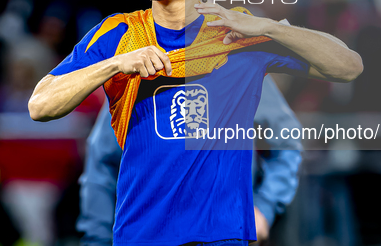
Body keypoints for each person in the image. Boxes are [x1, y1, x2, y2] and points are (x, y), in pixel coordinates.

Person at [28, 0, 363, 245]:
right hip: (141, 236)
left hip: (224, 237)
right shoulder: (119, 34)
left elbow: (347, 67)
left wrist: (269, 27)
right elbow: (41, 106)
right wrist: (114, 65)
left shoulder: (236, 31)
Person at [77, 75, 303, 246]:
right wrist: (99, 238)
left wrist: (264, 207)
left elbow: (287, 141)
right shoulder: (134, 71)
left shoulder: (242, 62)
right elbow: (102, 162)